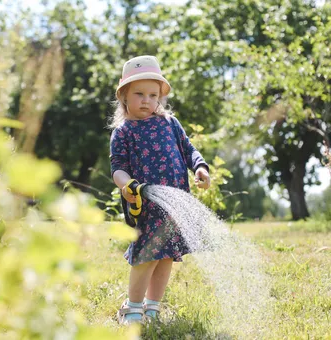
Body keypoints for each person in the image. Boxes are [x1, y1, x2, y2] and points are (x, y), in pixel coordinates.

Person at [109, 55, 211, 324]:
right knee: (145, 257)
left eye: (153, 95)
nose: (146, 100)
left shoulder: (170, 124)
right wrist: (126, 184)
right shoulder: (123, 131)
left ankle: (152, 308)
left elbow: (188, 149)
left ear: (160, 97)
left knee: (165, 257)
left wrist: (199, 167)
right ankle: (132, 308)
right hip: (145, 207)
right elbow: (117, 167)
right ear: (124, 96)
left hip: (174, 206)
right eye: (139, 94)